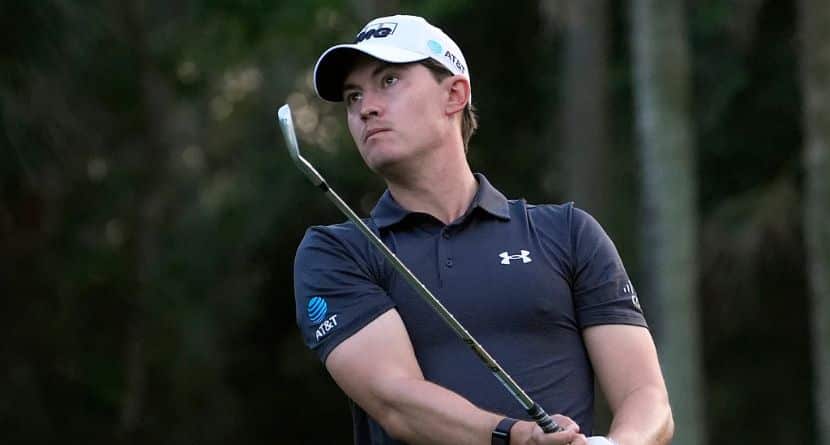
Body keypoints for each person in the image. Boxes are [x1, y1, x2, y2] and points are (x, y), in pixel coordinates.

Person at [293, 14, 674, 445]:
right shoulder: (339, 252)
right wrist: (516, 436)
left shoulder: (567, 233)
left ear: (454, 94)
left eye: (389, 82)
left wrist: (623, 444)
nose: (366, 107)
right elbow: (397, 401)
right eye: (353, 96)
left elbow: (646, 396)